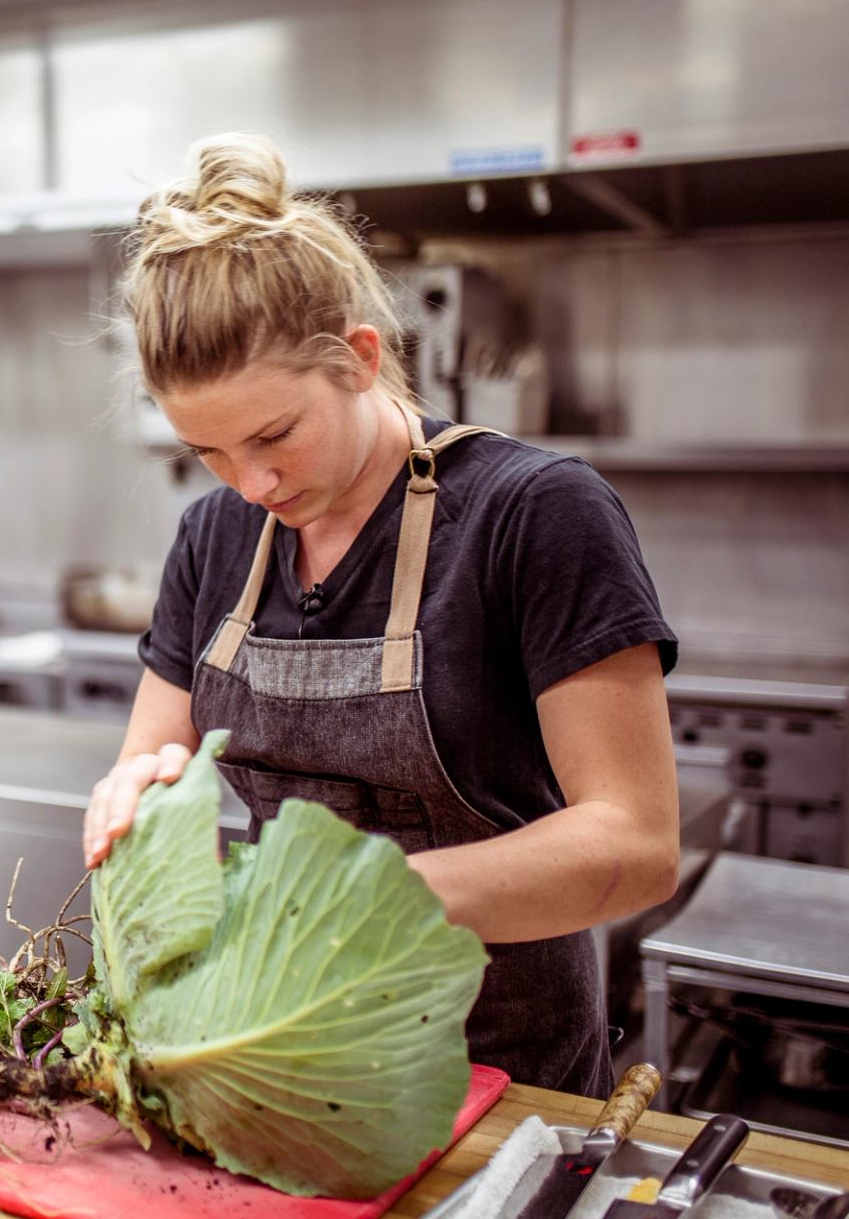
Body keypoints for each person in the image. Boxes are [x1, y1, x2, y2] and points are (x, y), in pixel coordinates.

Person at [79, 133, 680, 1098]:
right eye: (209, 451)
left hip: (495, 1073)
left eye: (275, 433)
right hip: (271, 1057)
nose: (254, 482)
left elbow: (636, 844)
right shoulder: (212, 539)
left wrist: (367, 902)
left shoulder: (535, 514)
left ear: (362, 358)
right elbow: (153, 762)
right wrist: (133, 798)